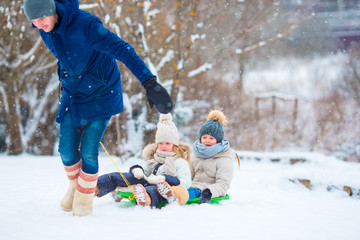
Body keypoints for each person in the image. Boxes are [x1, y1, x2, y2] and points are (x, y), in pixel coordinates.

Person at [23, 0, 172, 216]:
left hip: (102, 92)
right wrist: (64, 79)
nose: (39, 25)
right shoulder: (46, 29)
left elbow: (122, 49)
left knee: (89, 152)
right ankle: (76, 187)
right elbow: (65, 57)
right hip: (74, 95)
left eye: (42, 19)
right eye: (33, 21)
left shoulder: (86, 25)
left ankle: (83, 202)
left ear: (53, 10)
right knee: (65, 149)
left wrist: (149, 83)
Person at [97, 113, 192, 207]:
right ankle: (94, 188)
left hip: (164, 188)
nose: (163, 146)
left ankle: (144, 198)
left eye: (167, 143)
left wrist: (164, 179)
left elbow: (185, 182)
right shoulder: (154, 159)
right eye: (161, 143)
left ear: (174, 144)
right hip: (147, 182)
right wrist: (137, 171)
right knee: (119, 176)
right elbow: (146, 172)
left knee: (154, 189)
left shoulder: (180, 162)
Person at [188, 109, 235, 204]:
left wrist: (209, 192)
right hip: (191, 188)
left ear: (218, 140)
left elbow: (223, 183)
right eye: (204, 137)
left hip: (206, 190)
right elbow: (187, 176)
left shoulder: (224, 158)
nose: (207, 141)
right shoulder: (195, 156)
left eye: (211, 138)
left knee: (183, 195)